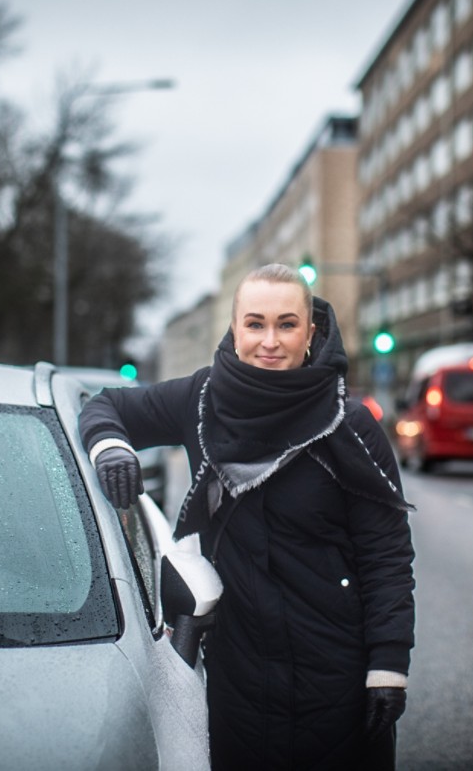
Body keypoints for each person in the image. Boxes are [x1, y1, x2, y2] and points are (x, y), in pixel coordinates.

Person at [79, 263, 416, 770]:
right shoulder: (201, 400)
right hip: (240, 677)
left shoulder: (348, 424)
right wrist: (109, 445)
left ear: (312, 332)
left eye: (287, 324)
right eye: (255, 323)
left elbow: (386, 553)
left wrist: (388, 666)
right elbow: (106, 405)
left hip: (337, 673)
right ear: (235, 329)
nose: (270, 340)